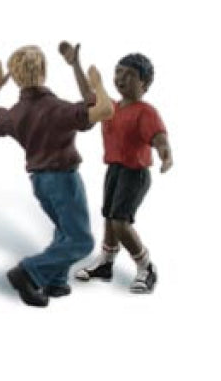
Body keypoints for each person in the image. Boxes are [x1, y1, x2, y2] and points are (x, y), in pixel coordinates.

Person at [0, 43, 113, 307]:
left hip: (39, 182)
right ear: (44, 71)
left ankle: (56, 281)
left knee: (64, 231)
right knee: (81, 241)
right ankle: (28, 272)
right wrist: (97, 83)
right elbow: (104, 109)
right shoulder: (58, 109)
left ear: (15, 77)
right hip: (64, 180)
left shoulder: (15, 114)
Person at [74, 53, 173, 293]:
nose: (121, 78)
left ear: (144, 84)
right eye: (119, 72)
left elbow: (159, 138)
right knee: (109, 217)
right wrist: (75, 63)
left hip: (134, 173)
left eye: (130, 75)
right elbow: (89, 95)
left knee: (120, 221)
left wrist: (166, 155)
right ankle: (106, 263)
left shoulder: (146, 112)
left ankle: (146, 266)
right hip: (114, 170)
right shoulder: (110, 107)